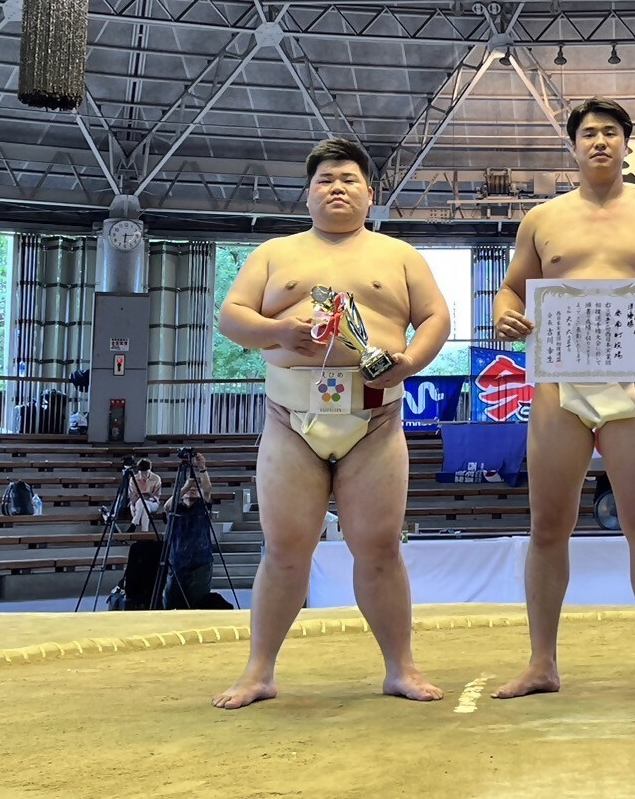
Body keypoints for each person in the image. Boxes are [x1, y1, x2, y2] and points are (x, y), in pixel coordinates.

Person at [213, 137, 451, 709]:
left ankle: (400, 667)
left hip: (375, 416)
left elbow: (436, 317)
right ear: (307, 193)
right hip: (290, 418)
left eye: (348, 179)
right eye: (324, 180)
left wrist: (412, 362)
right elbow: (231, 317)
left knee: (380, 547)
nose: (336, 188)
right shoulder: (275, 253)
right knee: (284, 548)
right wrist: (278, 331)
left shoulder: (399, 255)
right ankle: (259, 671)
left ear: (370, 193)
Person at [491, 97, 635, 703]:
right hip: (558, 381)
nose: (599, 141)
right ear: (573, 146)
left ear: (627, 145)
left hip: (633, 379)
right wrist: (505, 316)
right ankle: (541, 662)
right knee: (547, 528)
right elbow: (510, 290)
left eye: (610, 132)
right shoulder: (542, 219)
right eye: (588, 132)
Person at [161, 453, 216, 609]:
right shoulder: (176, 507)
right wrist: (185, 487)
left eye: (195, 489)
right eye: (189, 490)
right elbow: (167, 506)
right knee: (171, 603)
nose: (192, 490)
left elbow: (207, 490)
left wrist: (202, 468)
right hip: (177, 561)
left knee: (198, 604)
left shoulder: (202, 507)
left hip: (200, 561)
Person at [128, 459, 162, 533]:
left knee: (143, 502)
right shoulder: (133, 479)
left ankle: (134, 523)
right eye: (141, 473)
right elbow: (132, 495)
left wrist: (149, 497)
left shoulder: (156, 478)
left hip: (152, 503)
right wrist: (133, 505)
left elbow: (157, 496)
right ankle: (144, 532)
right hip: (137, 503)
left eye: (145, 473)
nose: (143, 476)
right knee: (145, 508)